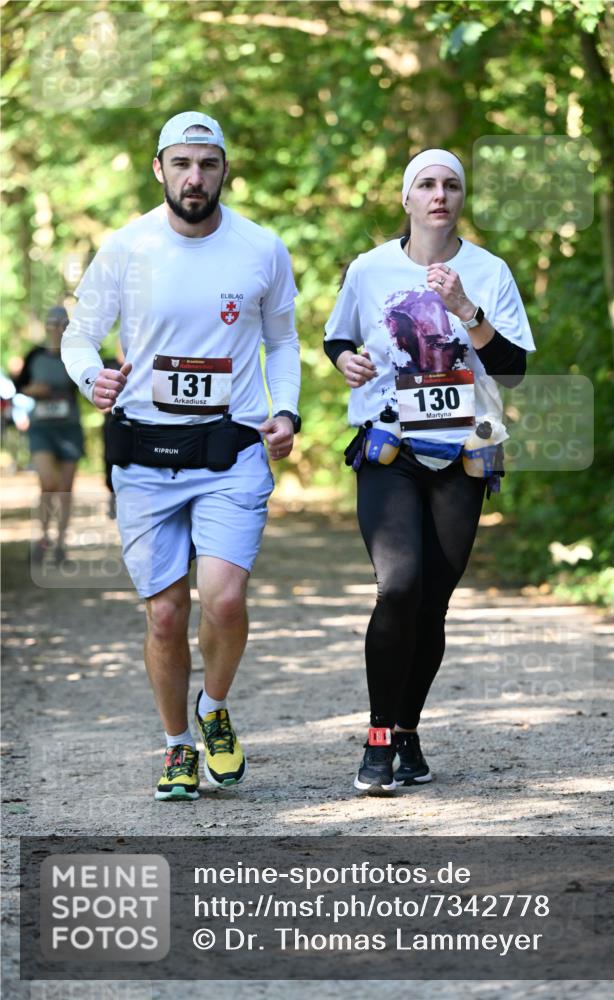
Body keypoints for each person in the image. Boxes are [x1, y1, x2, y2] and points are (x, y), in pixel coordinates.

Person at [62, 111, 301, 801]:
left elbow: (282, 342)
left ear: (225, 170)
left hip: (232, 449)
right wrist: (92, 377)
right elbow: (80, 336)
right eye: (182, 163)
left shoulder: (261, 248)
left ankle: (213, 709)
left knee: (223, 599)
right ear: (159, 169)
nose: (195, 177)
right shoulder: (126, 247)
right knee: (165, 615)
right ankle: (176, 747)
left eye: (208, 164)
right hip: (145, 454)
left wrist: (285, 411)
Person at [324, 149, 535, 795]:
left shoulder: (489, 272)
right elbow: (337, 338)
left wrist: (467, 310)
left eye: (450, 185)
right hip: (389, 448)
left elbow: (513, 372)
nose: (439, 194)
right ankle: (378, 737)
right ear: (406, 198)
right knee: (398, 586)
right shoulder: (369, 269)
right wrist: (346, 362)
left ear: (461, 199)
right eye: (426, 184)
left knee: (433, 602)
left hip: (464, 453)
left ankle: (407, 730)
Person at [14, 306, 84, 565]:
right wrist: (33, 390)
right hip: (42, 429)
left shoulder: (77, 355)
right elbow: (19, 386)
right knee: (48, 483)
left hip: (69, 429)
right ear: (47, 326)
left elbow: (90, 383)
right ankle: (44, 537)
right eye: (53, 323)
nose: (58, 329)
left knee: (65, 489)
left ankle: (61, 544)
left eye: (63, 324)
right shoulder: (35, 355)